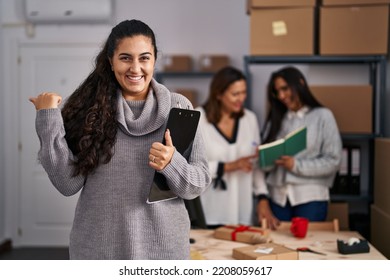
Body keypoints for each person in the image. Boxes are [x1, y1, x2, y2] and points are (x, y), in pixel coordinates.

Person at [28, 19, 211, 260]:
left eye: (144, 58)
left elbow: (197, 184)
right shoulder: (90, 111)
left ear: (155, 60)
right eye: (125, 58)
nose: (135, 68)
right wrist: (48, 118)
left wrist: (172, 163)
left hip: (162, 253)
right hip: (99, 251)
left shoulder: (179, 108)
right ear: (110, 62)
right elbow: (66, 184)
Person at [257, 66, 342, 230]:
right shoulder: (277, 119)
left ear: (300, 83)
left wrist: (296, 165)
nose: (281, 96)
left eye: (285, 89)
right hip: (278, 198)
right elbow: (266, 167)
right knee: (279, 249)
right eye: (277, 92)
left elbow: (334, 161)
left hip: (310, 197)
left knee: (306, 249)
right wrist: (264, 156)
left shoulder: (323, 116)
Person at [196, 66, 267, 227]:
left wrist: (263, 197)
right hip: (211, 213)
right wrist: (230, 166)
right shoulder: (198, 119)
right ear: (219, 94)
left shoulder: (250, 119)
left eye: (244, 92)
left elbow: (255, 165)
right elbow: (190, 168)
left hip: (242, 212)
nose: (241, 99)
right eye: (235, 94)